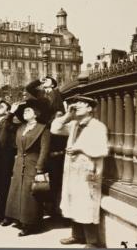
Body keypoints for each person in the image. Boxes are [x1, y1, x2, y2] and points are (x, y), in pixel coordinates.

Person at [51, 95, 109, 248]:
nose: (77, 106)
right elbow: (55, 128)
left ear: (90, 108)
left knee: (86, 203)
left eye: (81, 104)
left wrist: (80, 148)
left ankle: (92, 242)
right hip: (73, 170)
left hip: (88, 170)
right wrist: (67, 116)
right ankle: (77, 235)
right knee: (73, 201)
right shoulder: (74, 124)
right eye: (75, 104)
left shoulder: (98, 126)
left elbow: (102, 149)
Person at [4, 99, 51, 236]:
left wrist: (40, 168)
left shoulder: (43, 128)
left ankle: (31, 224)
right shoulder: (21, 127)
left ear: (36, 114)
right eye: (24, 111)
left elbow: (44, 150)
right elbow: (7, 126)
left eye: (28, 110)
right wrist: (10, 113)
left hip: (33, 163)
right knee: (18, 192)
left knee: (30, 194)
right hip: (19, 164)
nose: (25, 112)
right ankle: (19, 219)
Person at [26, 76, 67, 219]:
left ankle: (56, 209)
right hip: (43, 127)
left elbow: (60, 111)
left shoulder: (57, 93)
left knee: (55, 174)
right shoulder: (41, 94)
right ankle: (48, 207)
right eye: (45, 80)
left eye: (49, 79)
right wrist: (39, 81)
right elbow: (29, 88)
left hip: (53, 130)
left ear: (54, 83)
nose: (46, 81)